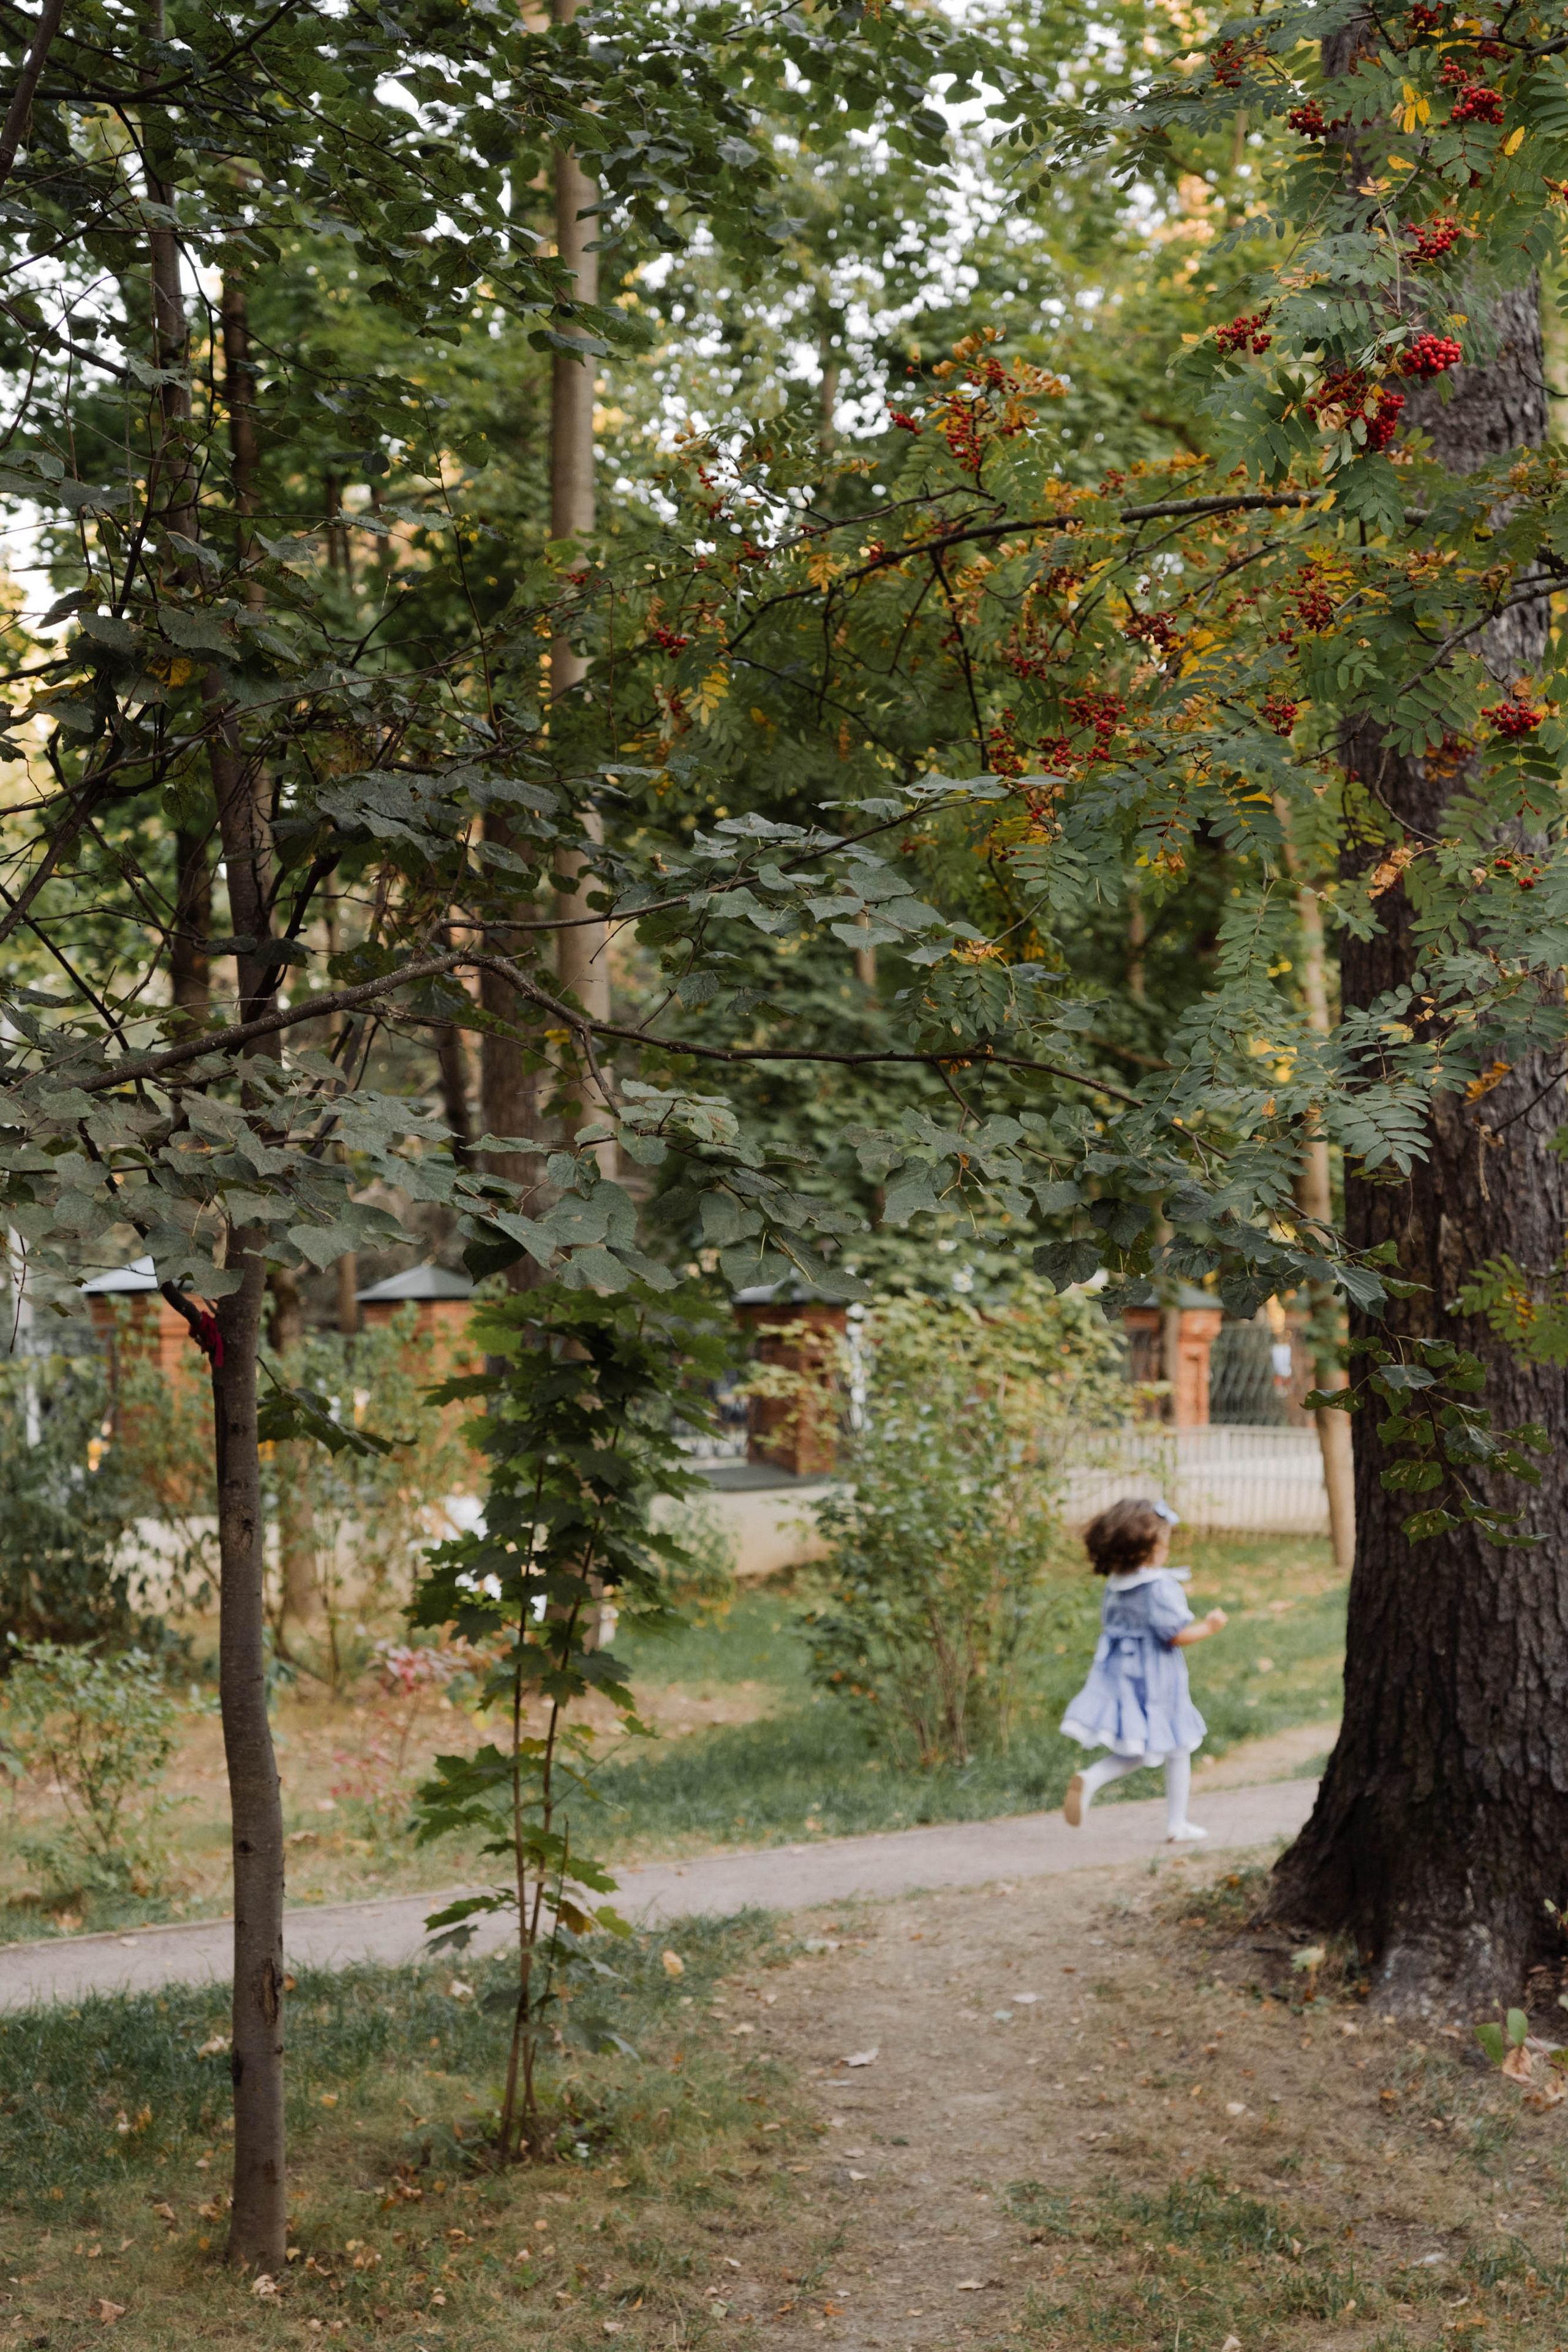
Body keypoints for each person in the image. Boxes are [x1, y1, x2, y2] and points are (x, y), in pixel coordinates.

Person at [1059, 1496, 1226, 1843]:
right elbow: (1174, 1635)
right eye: (1164, 1542)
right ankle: (1176, 1824)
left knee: (1137, 1747)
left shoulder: (1117, 1582)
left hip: (1121, 1670)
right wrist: (1210, 1627)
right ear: (1149, 1548)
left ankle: (1093, 1778)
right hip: (1157, 1677)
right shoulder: (1158, 1587)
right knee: (1178, 1746)